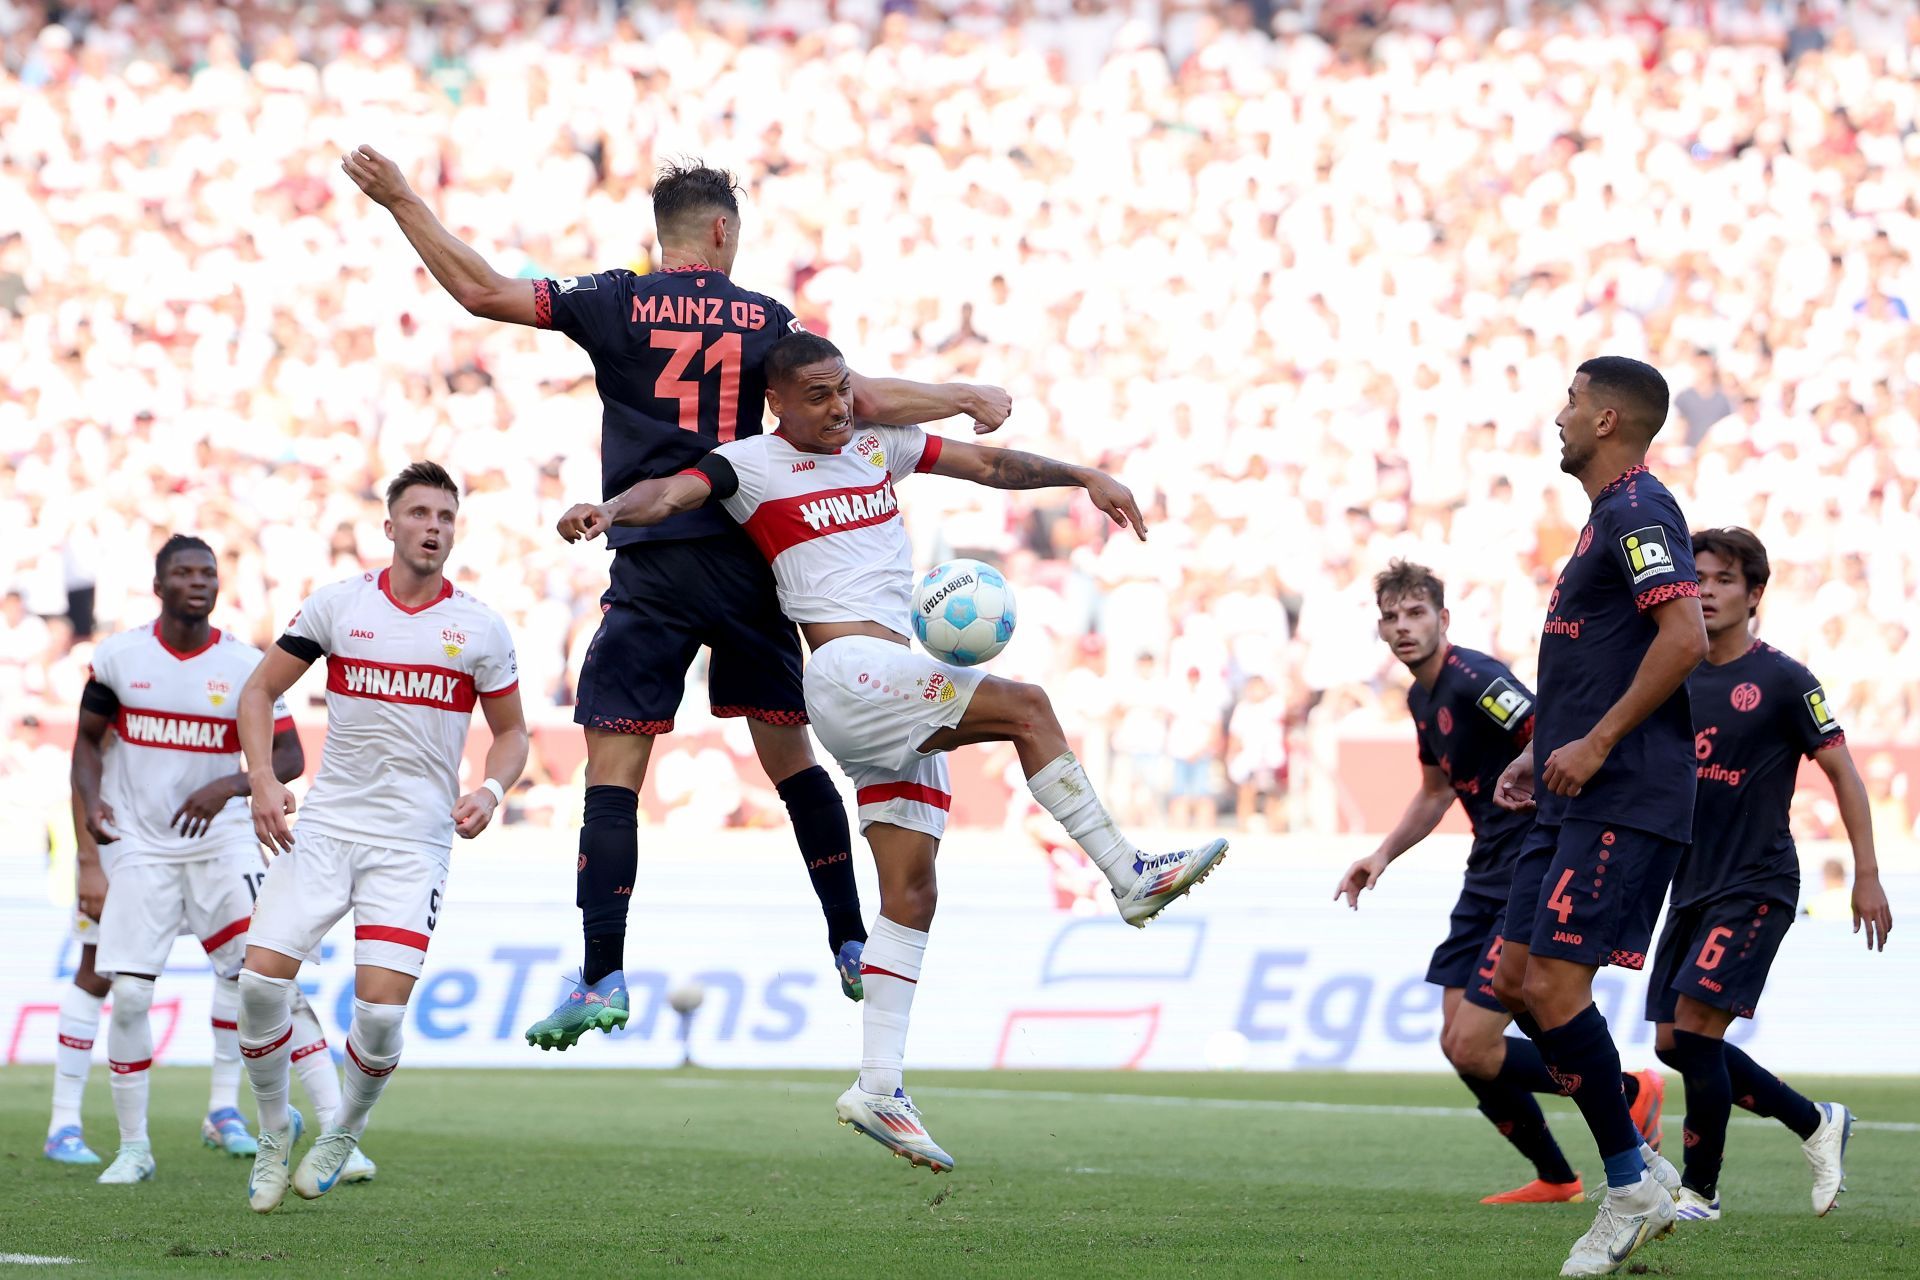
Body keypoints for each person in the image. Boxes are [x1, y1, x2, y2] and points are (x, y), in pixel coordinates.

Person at [343, 145, 1011, 1038]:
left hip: (654, 560)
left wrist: (402, 200)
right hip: (748, 560)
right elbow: (861, 400)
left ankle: (602, 976)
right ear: (724, 230)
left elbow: (483, 291)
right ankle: (851, 943)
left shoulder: (613, 298)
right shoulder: (768, 318)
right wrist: (962, 392)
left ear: (662, 239)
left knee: (613, 776)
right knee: (792, 762)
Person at [554, 332, 1227, 1172]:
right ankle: (1127, 874)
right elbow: (669, 493)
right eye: (817, 397)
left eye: (842, 391)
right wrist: (609, 511)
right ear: (779, 404)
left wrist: (1083, 477)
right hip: (846, 671)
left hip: (899, 675)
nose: (837, 408)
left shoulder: (877, 444)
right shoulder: (751, 465)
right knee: (1029, 708)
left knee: (913, 891)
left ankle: (877, 1086)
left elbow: (989, 467)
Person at [233, 462, 528, 1212]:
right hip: (328, 827)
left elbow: (512, 734)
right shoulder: (340, 606)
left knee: (380, 1015)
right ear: (390, 526)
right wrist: (264, 779)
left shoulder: (479, 628)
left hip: (412, 842)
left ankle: (343, 1131)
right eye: (421, 514)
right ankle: (275, 1133)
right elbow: (260, 690)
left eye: (446, 517)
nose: (434, 527)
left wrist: (490, 790)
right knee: (262, 983)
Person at [1335, 560, 1663, 1205]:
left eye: (1417, 613)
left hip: (1525, 862)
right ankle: (1559, 1176)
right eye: (1393, 618)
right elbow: (1435, 792)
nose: (1405, 627)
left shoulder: (1475, 678)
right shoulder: (1420, 696)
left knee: (1475, 1044)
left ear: (1443, 619)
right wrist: (1383, 854)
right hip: (1484, 870)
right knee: (1458, 1044)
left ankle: (1626, 1091)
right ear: (1380, 629)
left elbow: (1549, 730)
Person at [1490, 356, 1708, 1276]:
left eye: (1572, 401)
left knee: (1550, 988)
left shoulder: (1638, 510)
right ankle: (1641, 1160)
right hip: (1573, 785)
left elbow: (1685, 636)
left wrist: (1600, 743)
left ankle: (1626, 1180)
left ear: (1610, 418)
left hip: (1623, 788)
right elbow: (1605, 655)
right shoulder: (1602, 521)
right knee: (1509, 980)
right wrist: (1547, 746)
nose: (1559, 415)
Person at [1647, 527, 1893, 1221]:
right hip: (1688, 881)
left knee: (1696, 1031)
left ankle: (1701, 1191)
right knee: (1672, 1042)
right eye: (1695, 578)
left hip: (1756, 883)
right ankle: (1814, 1121)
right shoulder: (1671, 669)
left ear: (1754, 595)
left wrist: (1865, 874)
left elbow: (1843, 772)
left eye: (1723, 580)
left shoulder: (1782, 678)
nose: (1705, 591)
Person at [66, 535, 307, 1185]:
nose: (198, 581)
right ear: (159, 585)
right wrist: (91, 816)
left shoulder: (245, 665)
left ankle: (247, 1116)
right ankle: (134, 1148)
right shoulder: (119, 658)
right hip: (141, 846)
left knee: (256, 979)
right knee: (133, 999)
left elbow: (289, 760)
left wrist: (229, 784)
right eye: (184, 572)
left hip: (222, 843)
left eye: (209, 572)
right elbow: (85, 744)